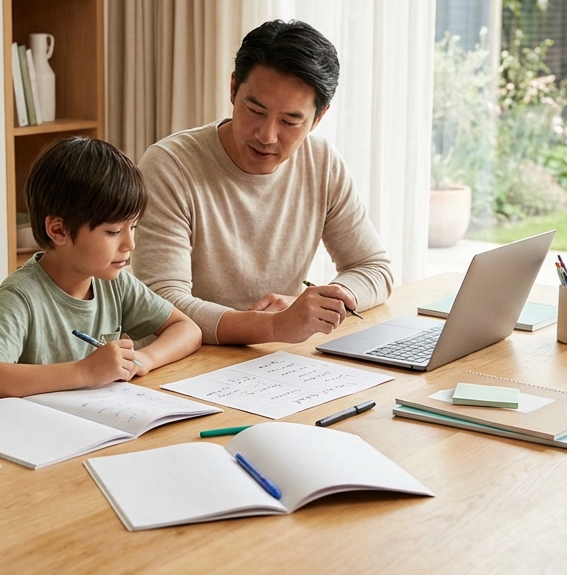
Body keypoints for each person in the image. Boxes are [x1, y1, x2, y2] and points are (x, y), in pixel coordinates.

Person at [133, 19, 393, 345]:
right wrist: (272, 327)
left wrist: (333, 298)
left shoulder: (321, 162)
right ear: (232, 89)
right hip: (182, 363)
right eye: (255, 110)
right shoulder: (170, 166)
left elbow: (373, 268)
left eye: (289, 121)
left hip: (273, 362)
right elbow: (161, 305)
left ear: (319, 117)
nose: (266, 136)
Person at [0, 136, 202, 404]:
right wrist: (84, 371)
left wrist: (144, 359)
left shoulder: (114, 283)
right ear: (58, 230)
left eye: (133, 227)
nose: (130, 243)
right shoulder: (21, 296)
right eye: (113, 231)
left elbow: (187, 329)